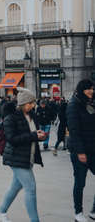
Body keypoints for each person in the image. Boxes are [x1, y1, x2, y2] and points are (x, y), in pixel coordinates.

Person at [0, 88, 46, 222]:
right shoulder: (11, 117)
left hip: (26, 156)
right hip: (15, 157)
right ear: (22, 103)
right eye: (30, 103)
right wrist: (34, 135)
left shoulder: (31, 115)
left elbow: (31, 134)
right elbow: (12, 139)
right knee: (31, 188)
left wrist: (38, 135)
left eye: (33, 102)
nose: (33, 105)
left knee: (16, 186)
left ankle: (1, 212)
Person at [66, 79, 95, 222]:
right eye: (89, 89)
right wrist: (80, 152)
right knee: (80, 182)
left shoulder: (89, 104)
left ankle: (94, 211)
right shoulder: (73, 105)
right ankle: (78, 213)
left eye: (92, 88)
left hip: (93, 149)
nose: (92, 91)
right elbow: (74, 130)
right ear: (81, 90)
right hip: (80, 151)